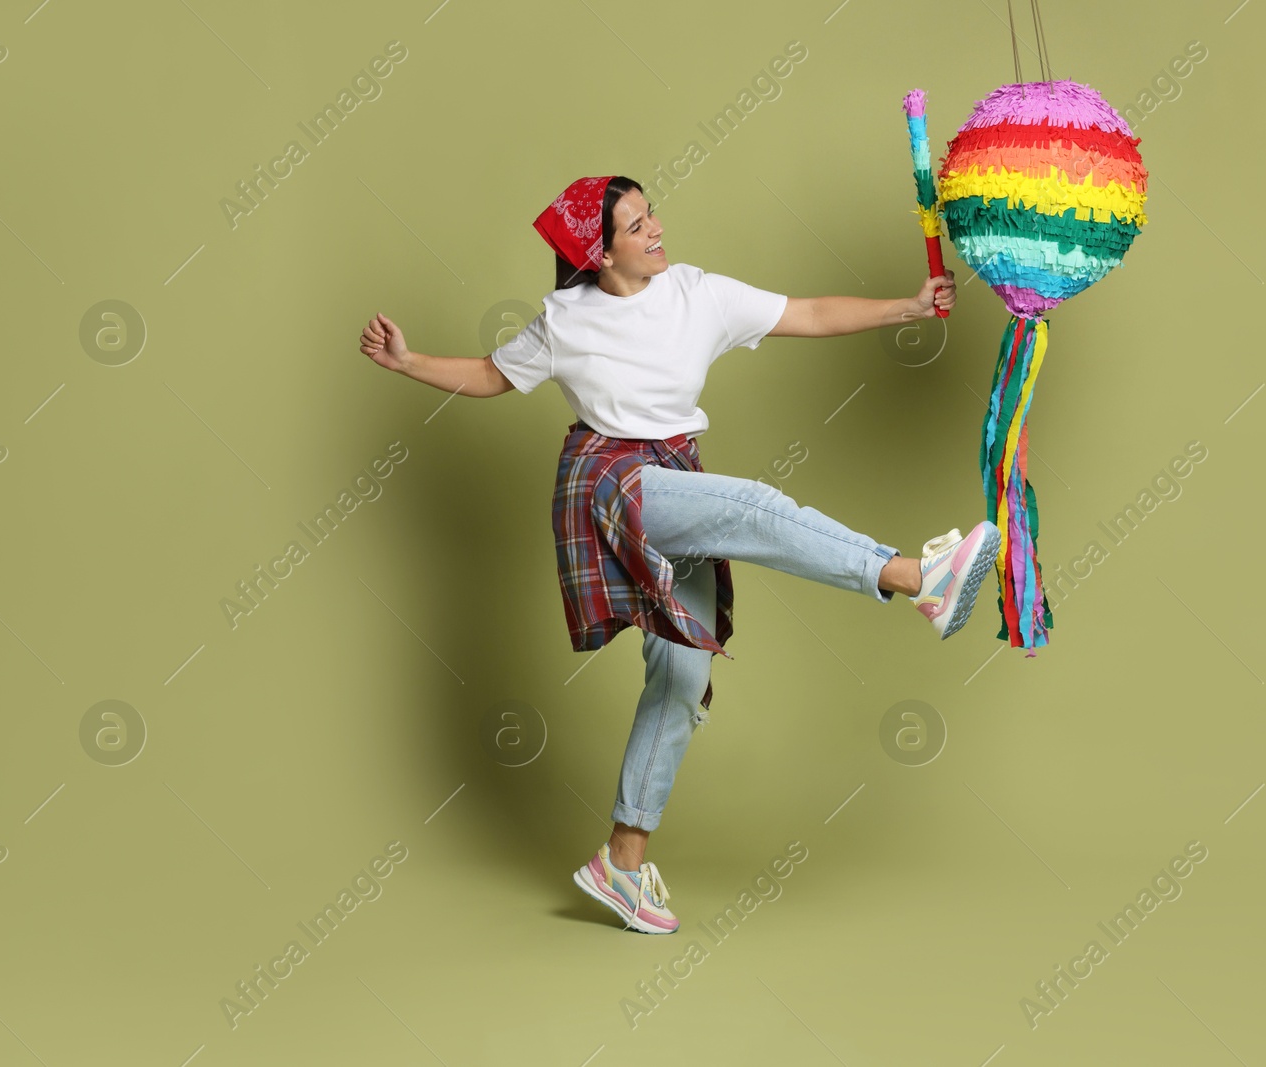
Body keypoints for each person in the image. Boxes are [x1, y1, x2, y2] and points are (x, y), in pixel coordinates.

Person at [358, 175, 1000, 935]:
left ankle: (620, 866)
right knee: (756, 508)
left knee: (682, 676)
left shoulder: (699, 294)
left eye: (650, 211)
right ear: (599, 253)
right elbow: (494, 375)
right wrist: (408, 363)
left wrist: (911, 306)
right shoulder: (564, 320)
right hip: (608, 480)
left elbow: (809, 313)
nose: (656, 227)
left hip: (673, 476)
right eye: (635, 224)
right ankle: (914, 577)